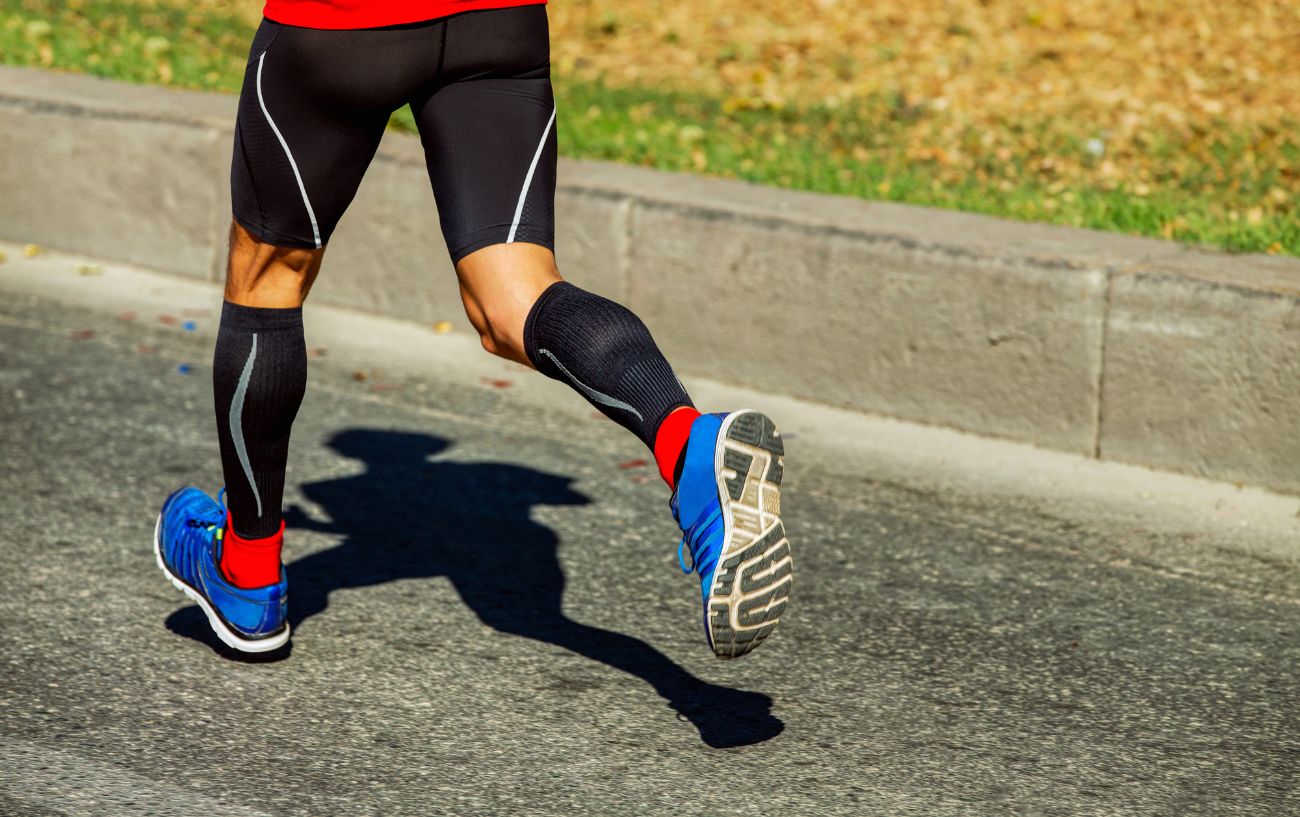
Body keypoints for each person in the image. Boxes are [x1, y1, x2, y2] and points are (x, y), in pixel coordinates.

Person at [154, 0, 792, 660]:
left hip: (343, 26)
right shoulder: (541, 496)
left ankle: (247, 574)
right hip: (496, 24)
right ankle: (689, 445)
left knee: (267, 274)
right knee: (515, 300)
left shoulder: (344, 492)